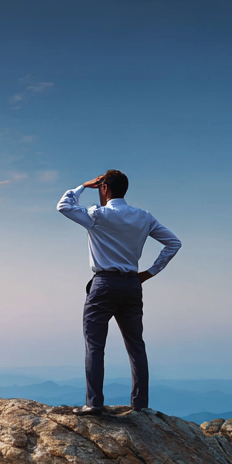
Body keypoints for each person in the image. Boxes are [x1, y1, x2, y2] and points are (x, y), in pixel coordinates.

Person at [57, 170, 181, 415]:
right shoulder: (144, 217)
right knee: (136, 345)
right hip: (132, 285)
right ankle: (140, 405)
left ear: (103, 188)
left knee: (95, 345)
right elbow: (173, 243)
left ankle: (94, 404)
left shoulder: (96, 215)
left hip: (104, 284)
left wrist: (82, 186)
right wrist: (149, 273)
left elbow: (64, 205)